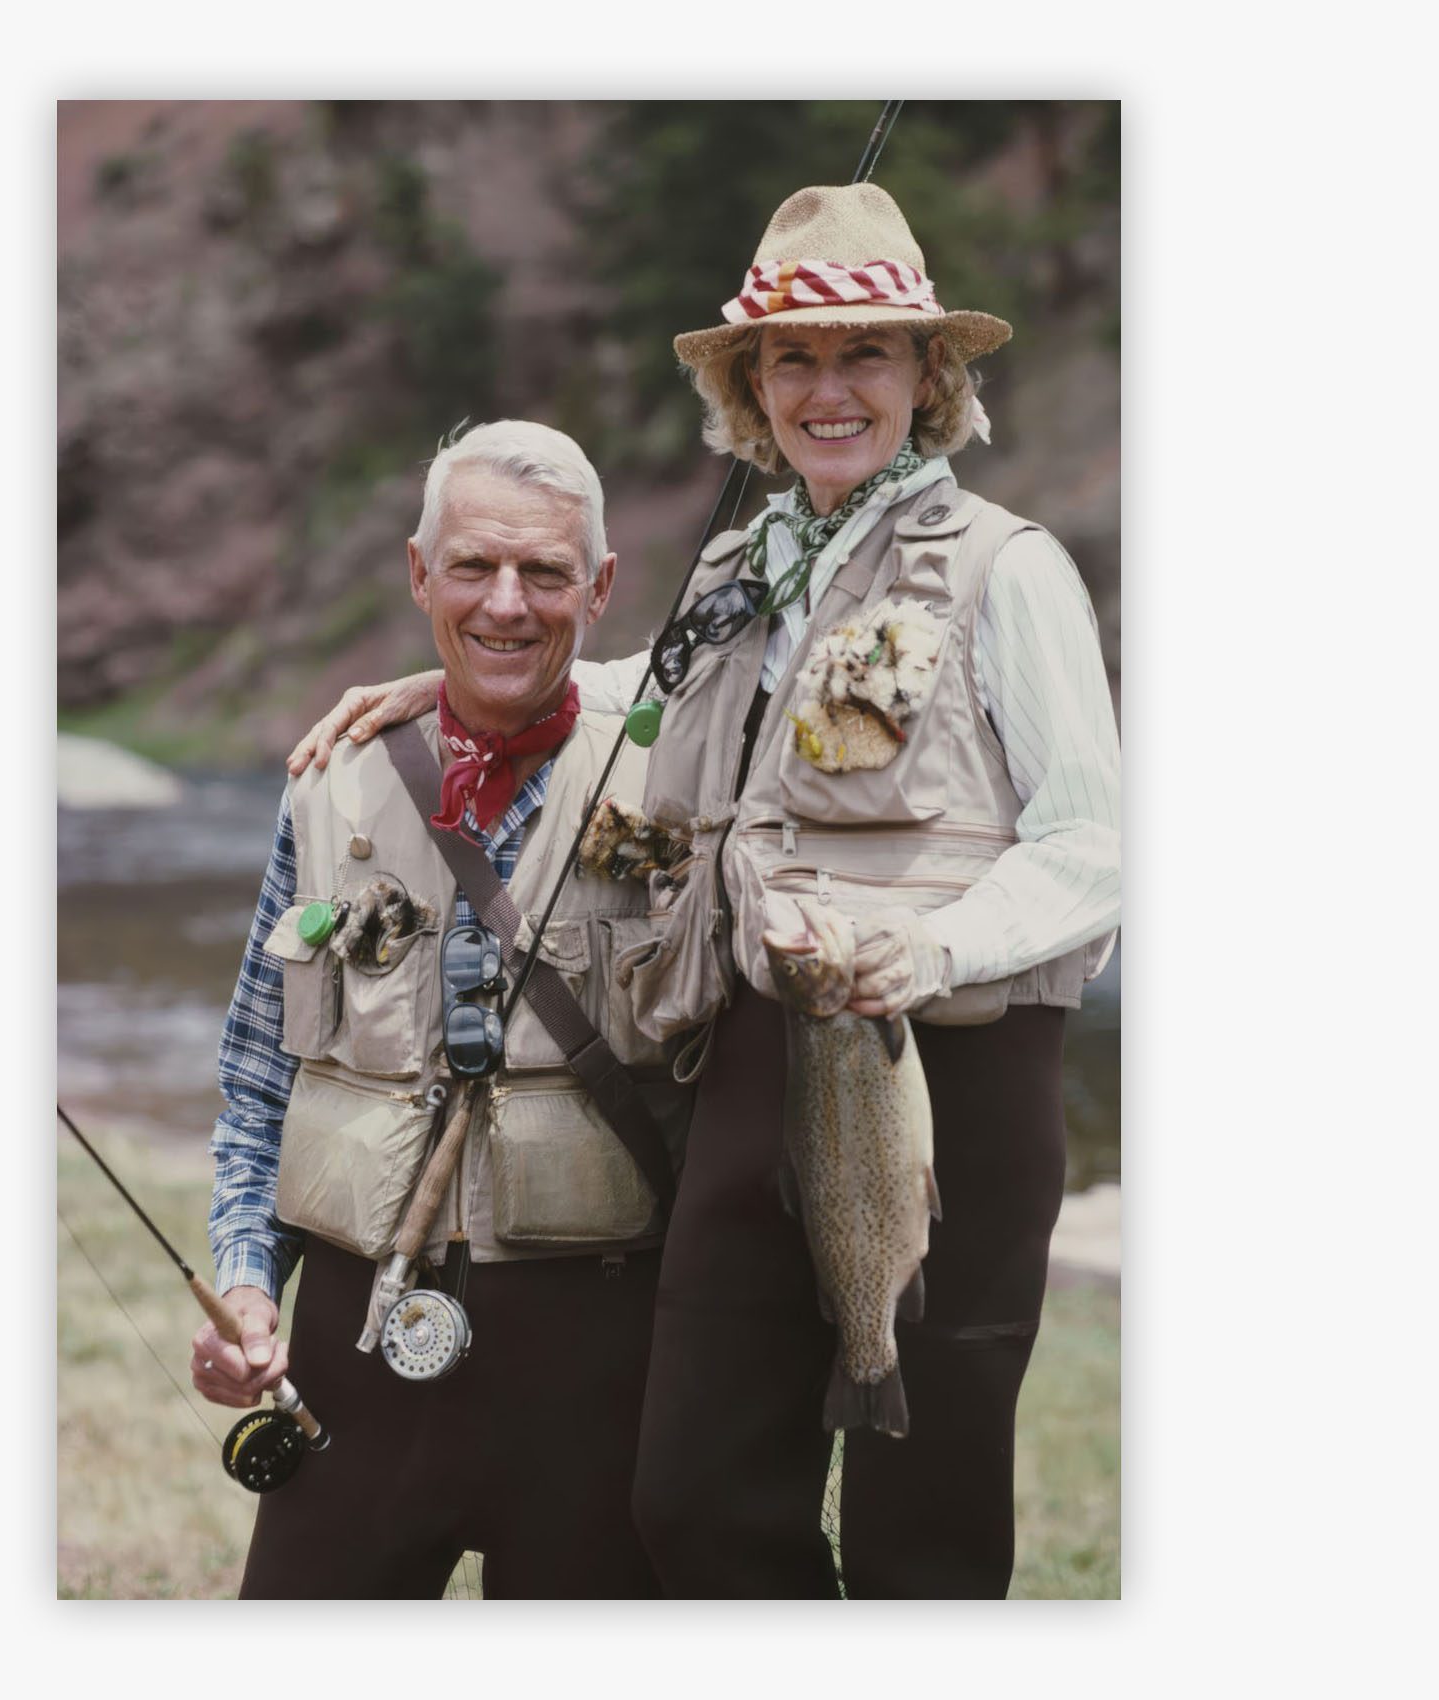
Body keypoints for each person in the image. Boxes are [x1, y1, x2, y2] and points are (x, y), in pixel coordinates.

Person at [285, 183, 1121, 1599]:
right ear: (752, 387)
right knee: (688, 1493)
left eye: (866, 353)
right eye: (793, 358)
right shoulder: (743, 564)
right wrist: (470, 675)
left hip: (955, 1081)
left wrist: (931, 951)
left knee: (925, 1521)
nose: (828, 388)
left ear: (929, 375)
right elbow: (654, 696)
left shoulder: (1007, 568)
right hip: (749, 1060)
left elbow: (1094, 843)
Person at [194, 420, 691, 1599]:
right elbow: (258, 1083)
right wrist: (246, 1284)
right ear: (420, 574)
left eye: (545, 572)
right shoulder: (326, 781)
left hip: (603, 1361)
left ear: (600, 589)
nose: (505, 603)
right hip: (353, 1348)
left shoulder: (682, 770)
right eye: (471, 565)